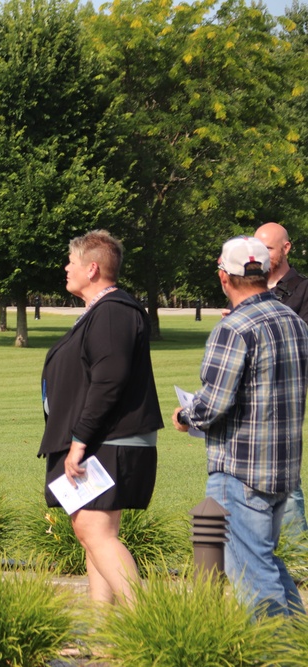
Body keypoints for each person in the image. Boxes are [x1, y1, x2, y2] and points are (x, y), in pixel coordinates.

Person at [173, 235, 308, 617]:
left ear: (223, 277)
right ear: (266, 272)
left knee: (251, 573)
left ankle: (278, 653)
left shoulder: (234, 329)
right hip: (283, 470)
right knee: (266, 563)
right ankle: (296, 644)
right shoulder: (295, 322)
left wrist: (185, 416)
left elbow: (212, 404)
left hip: (240, 471)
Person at [39, 230, 162, 606]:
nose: (66, 268)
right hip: (103, 439)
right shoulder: (104, 311)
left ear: (92, 269)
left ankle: (146, 625)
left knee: (95, 531)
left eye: (72, 262)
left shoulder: (112, 313)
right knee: (92, 531)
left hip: (108, 440)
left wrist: (79, 441)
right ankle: (103, 636)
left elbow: (109, 380)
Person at [254, 222, 308, 536]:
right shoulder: (249, 286)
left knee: (282, 471)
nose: (261, 255)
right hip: (252, 391)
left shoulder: (303, 290)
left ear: (286, 248)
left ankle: (296, 554)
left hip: (284, 391)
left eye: (269, 248)